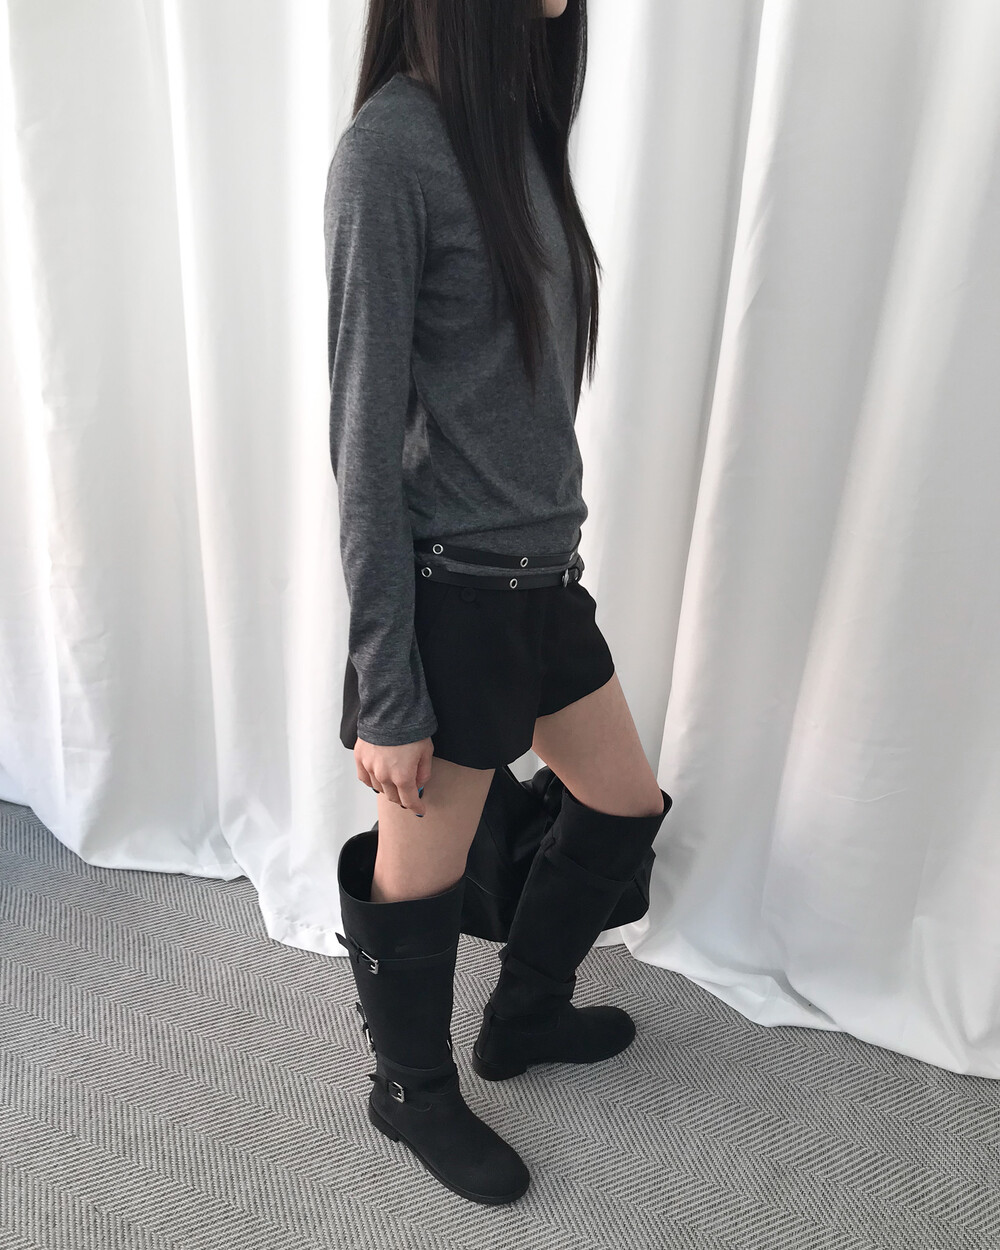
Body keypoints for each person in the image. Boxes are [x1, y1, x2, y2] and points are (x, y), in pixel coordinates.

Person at [325, 0, 670, 1207]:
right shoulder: (388, 151)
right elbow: (362, 447)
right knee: (418, 875)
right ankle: (409, 1087)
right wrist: (387, 689)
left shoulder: (513, 133)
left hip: (542, 582)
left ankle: (524, 1011)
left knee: (621, 804)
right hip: (451, 599)